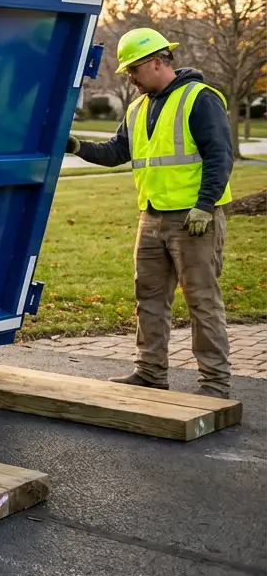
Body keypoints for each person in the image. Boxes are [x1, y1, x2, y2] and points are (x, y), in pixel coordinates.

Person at [67, 27, 235, 398]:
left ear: (157, 62)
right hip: (152, 215)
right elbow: (116, 152)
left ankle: (215, 383)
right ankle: (150, 371)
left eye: (133, 70)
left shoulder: (200, 99)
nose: (129, 77)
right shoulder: (137, 107)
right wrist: (77, 146)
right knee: (150, 296)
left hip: (194, 219)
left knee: (202, 301)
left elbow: (220, 156)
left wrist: (205, 205)